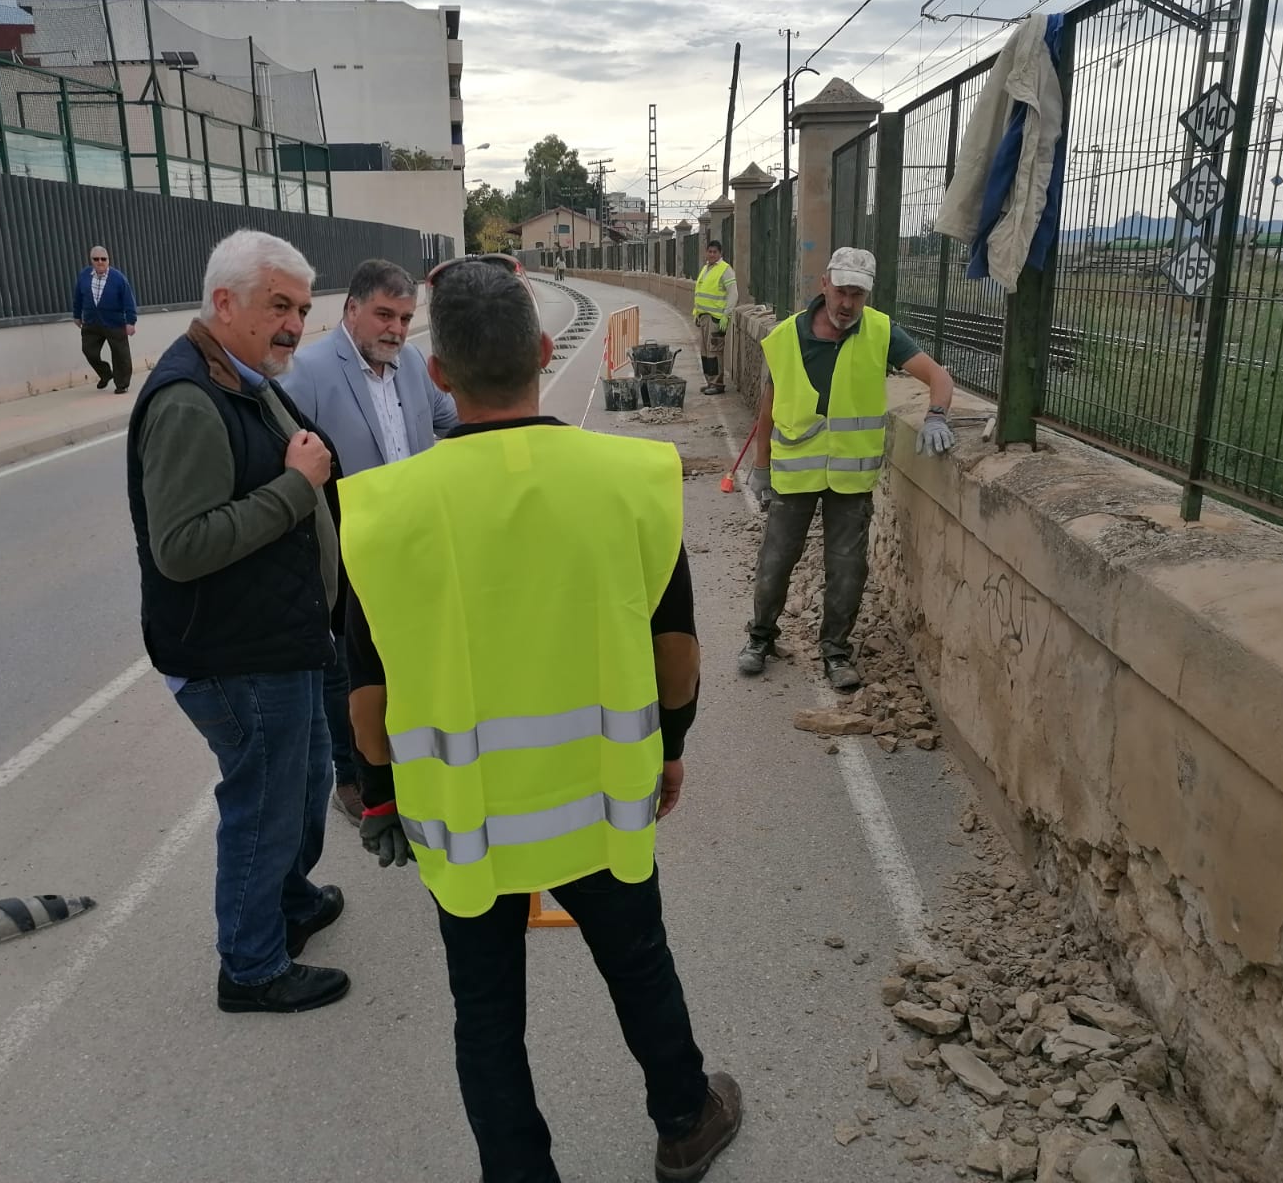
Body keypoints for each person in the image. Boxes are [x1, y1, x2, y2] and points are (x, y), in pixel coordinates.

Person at [338, 260, 742, 1183]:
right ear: (536, 351)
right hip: (599, 798)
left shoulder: (388, 510)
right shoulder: (631, 478)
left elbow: (368, 699)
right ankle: (684, 1118)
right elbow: (675, 653)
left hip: (465, 817)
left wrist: (383, 800)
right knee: (638, 961)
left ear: (438, 375)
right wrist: (669, 750)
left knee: (485, 1012)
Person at [126, 229, 350, 1015]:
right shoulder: (191, 400)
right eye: (277, 306)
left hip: (283, 638)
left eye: (301, 308)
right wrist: (297, 489)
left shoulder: (247, 378)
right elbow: (181, 547)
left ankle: (287, 900)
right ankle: (251, 968)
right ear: (224, 303)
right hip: (237, 654)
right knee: (263, 801)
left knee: (307, 779)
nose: (294, 324)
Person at [284, 258, 458, 827]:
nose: (397, 329)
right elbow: (287, 467)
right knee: (349, 672)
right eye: (385, 314)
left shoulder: (411, 364)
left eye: (406, 318)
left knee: (410, 660)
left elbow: (450, 419)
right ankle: (352, 777)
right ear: (351, 310)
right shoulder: (307, 373)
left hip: (415, 546)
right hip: (347, 552)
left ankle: (406, 761)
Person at [738, 246, 956, 692]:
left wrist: (936, 414)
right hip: (795, 474)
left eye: (857, 295)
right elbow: (769, 407)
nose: (846, 304)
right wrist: (761, 467)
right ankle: (760, 638)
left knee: (847, 568)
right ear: (824, 285)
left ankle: (836, 651)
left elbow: (939, 376)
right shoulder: (784, 337)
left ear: (867, 295)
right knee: (776, 561)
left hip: (850, 481)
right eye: (841, 292)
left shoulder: (880, 332)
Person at [72, 244, 138, 394]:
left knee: (120, 354)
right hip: (91, 323)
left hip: (114, 323)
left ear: (108, 260)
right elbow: (78, 298)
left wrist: (130, 321)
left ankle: (121, 384)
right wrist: (77, 315)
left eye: (103, 259)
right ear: (91, 261)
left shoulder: (118, 278)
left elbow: (128, 300)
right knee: (89, 351)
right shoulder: (84, 276)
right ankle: (105, 373)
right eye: (96, 259)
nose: (100, 262)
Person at [691, 240, 738, 396]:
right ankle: (710, 381)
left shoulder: (725, 270)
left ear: (720, 253)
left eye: (715, 252)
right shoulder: (706, 269)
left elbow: (733, 294)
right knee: (705, 352)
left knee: (715, 351)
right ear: (706, 252)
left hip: (717, 318)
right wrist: (696, 313)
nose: (711, 254)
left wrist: (726, 315)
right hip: (704, 317)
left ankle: (718, 383)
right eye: (709, 251)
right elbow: (699, 292)